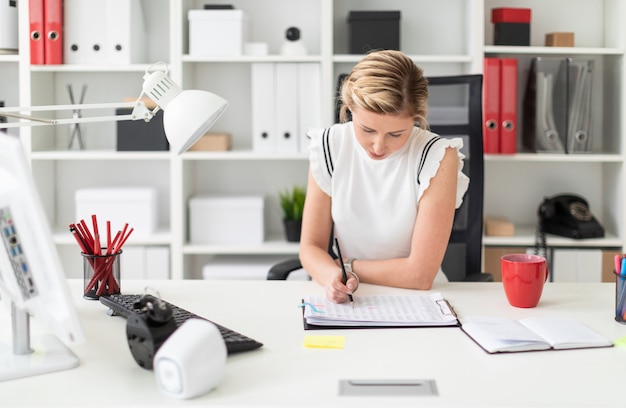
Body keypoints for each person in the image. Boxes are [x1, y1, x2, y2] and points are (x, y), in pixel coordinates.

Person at [299, 50, 469, 304]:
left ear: (417, 119)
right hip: (351, 297)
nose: (378, 147)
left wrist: (347, 265)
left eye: (396, 134)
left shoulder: (437, 156)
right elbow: (310, 247)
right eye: (367, 129)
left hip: (419, 300)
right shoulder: (329, 145)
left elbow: (420, 275)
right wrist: (332, 275)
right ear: (349, 108)